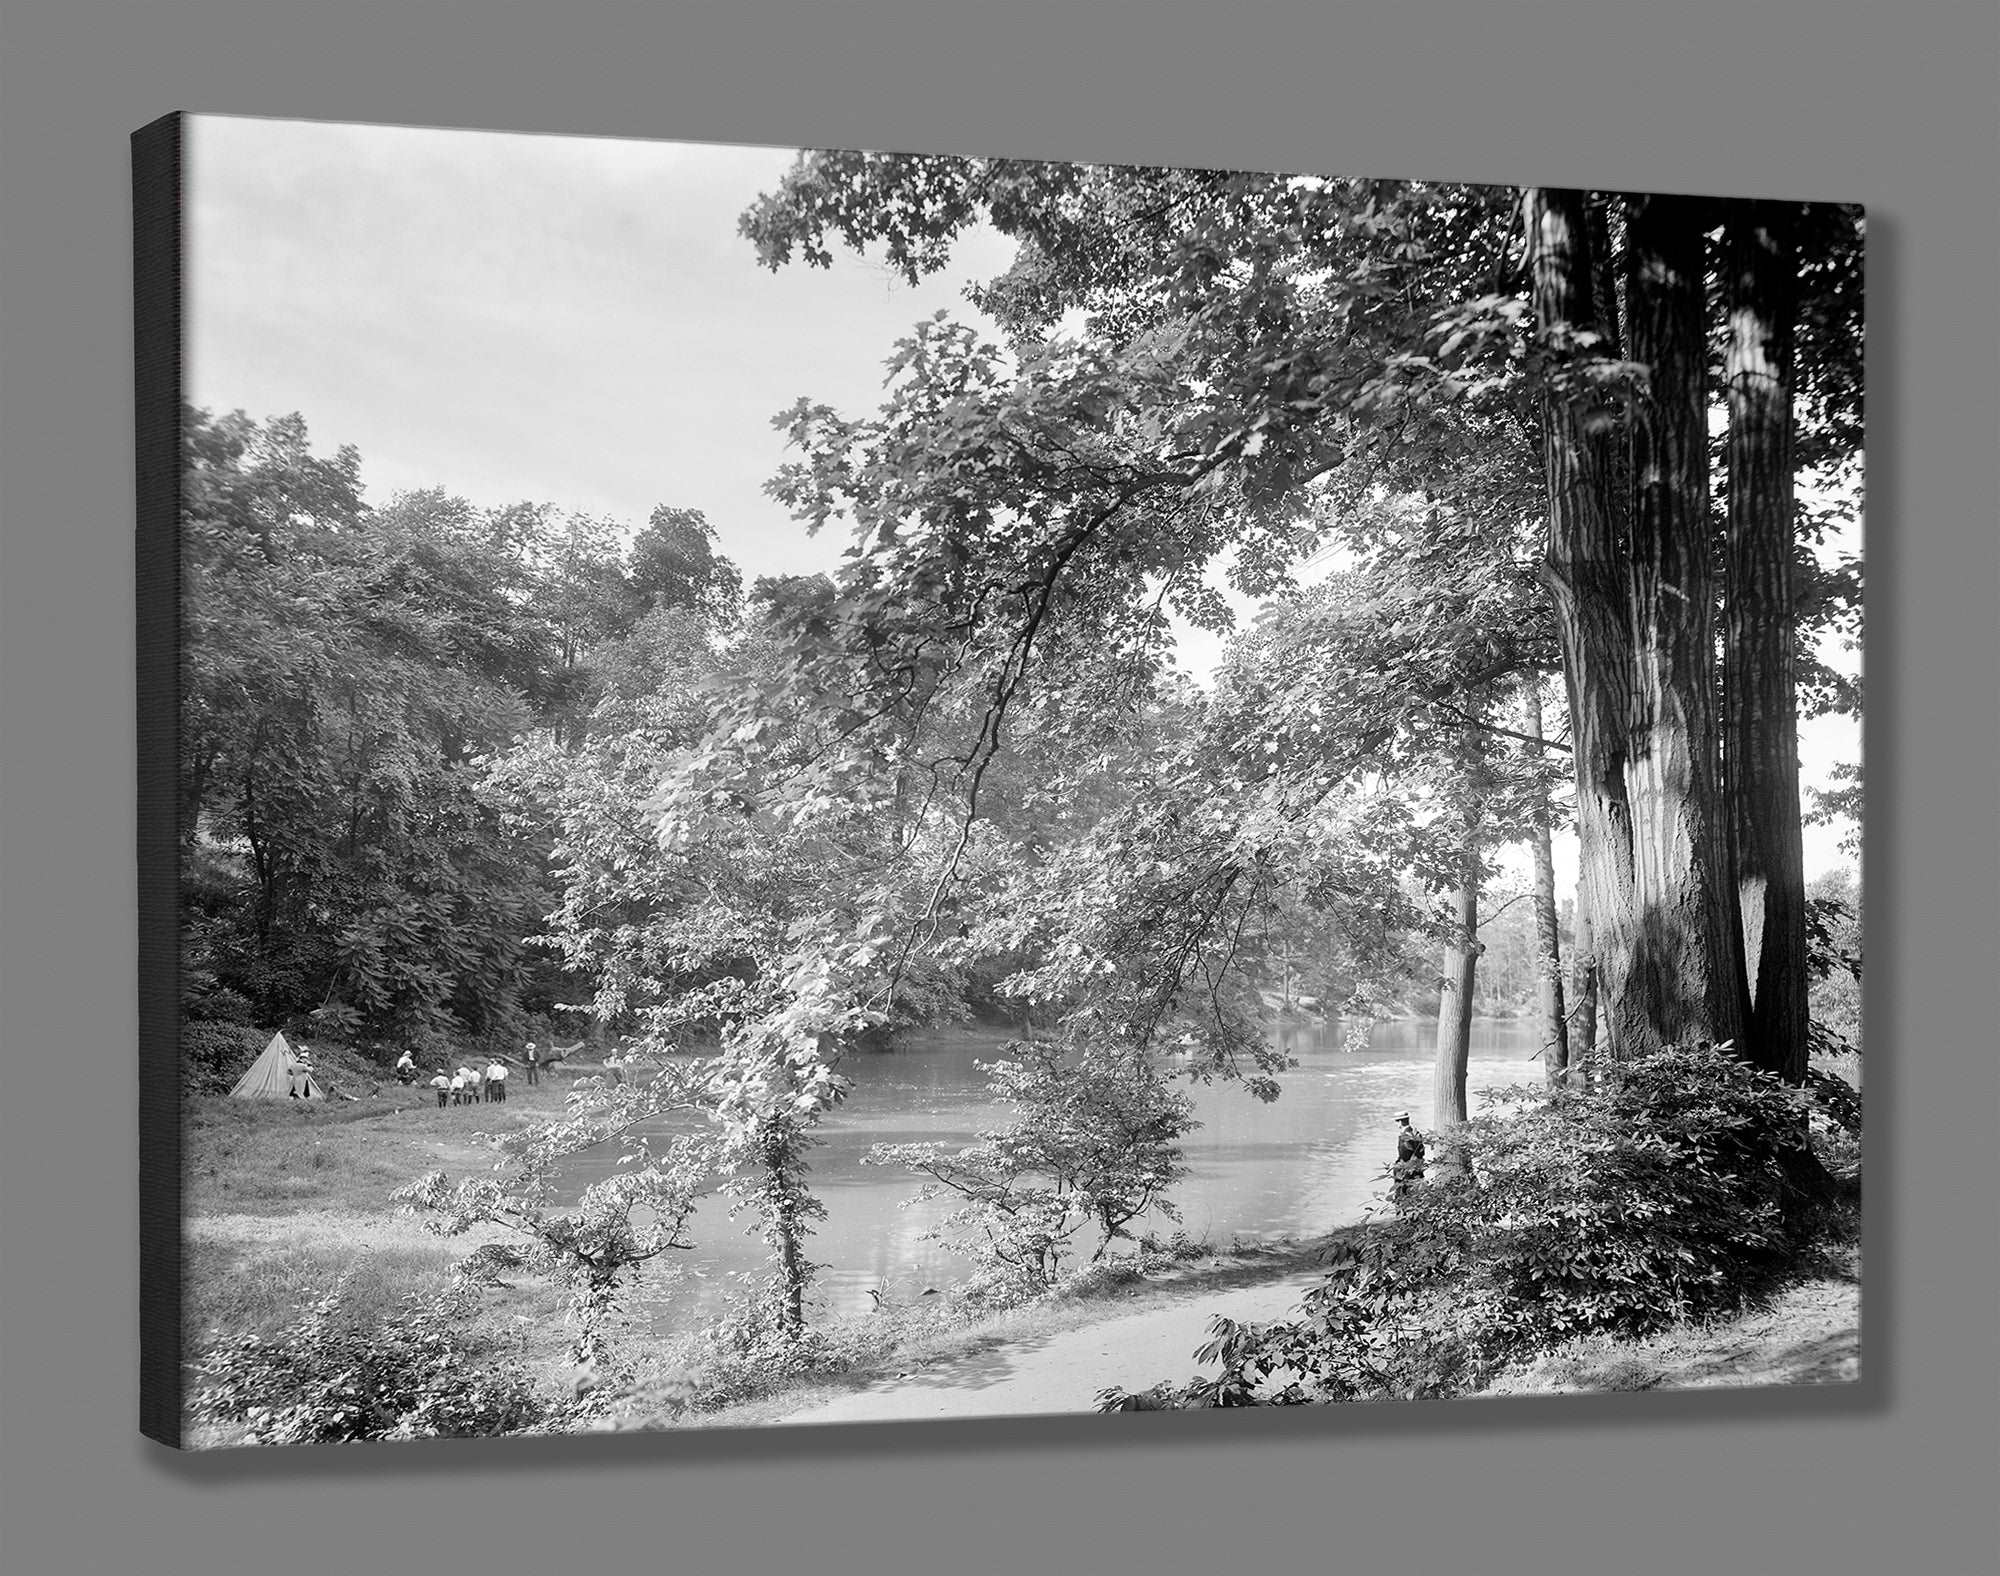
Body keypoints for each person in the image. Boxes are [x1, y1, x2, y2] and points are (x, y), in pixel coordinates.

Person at [1390, 1111, 1426, 1206]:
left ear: (1400, 1122)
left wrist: (1397, 1165)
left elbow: (1404, 1155)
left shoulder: (1405, 1136)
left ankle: (1402, 1216)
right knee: (1414, 1194)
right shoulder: (1416, 1133)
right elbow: (1421, 1152)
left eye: (1397, 1122)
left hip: (1406, 1171)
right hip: (1416, 1168)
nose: (1397, 1124)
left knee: (1402, 1194)